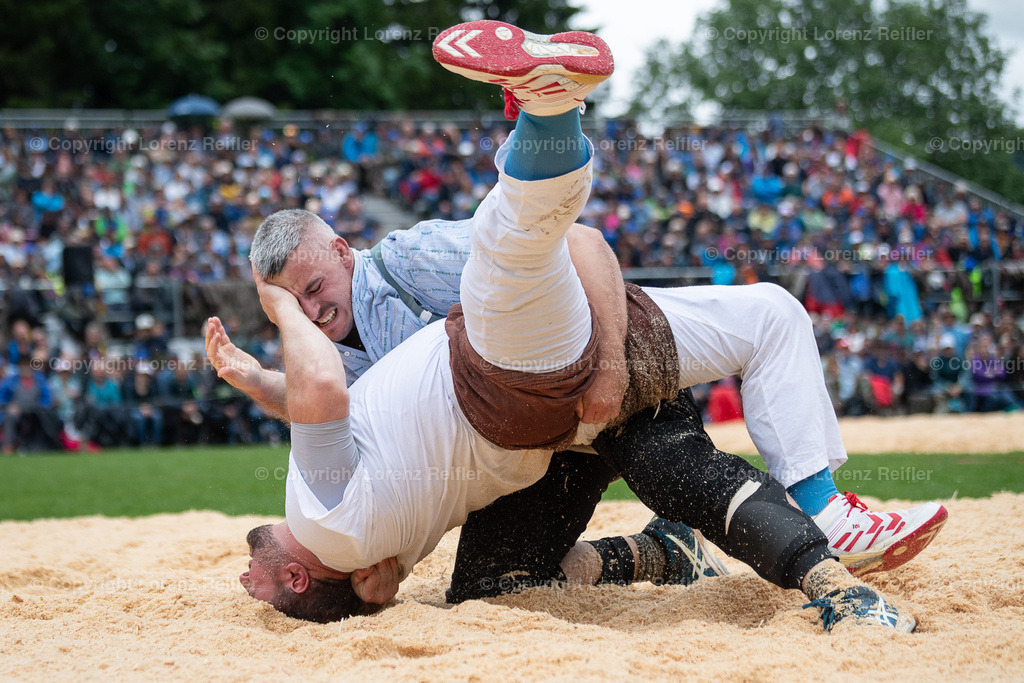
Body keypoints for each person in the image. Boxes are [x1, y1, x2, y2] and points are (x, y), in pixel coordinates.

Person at [217, 21, 917, 632]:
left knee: (531, 266)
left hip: (570, 348)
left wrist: (610, 361)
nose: (308, 312)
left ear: (343, 251)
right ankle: (660, 552)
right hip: (526, 433)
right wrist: (256, 378)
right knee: (487, 589)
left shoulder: (400, 261)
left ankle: (823, 509)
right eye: (292, 303)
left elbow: (578, 244)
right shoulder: (339, 388)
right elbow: (322, 408)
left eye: (312, 289)